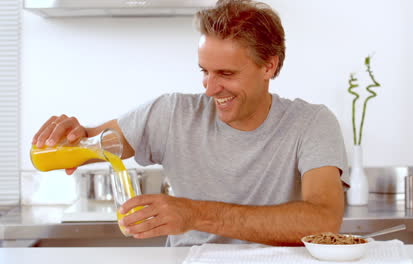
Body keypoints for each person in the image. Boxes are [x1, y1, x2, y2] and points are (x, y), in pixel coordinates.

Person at [32, 0, 348, 247]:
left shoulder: (311, 123)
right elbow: (95, 143)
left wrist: (194, 213)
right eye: (204, 71)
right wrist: (70, 137)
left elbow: (322, 221)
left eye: (226, 74)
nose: (209, 89)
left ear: (269, 66)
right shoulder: (171, 114)